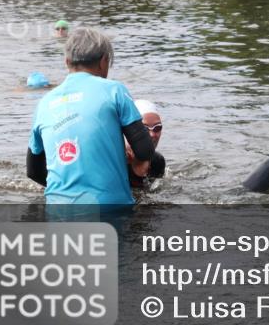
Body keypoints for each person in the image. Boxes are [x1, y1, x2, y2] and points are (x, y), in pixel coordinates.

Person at [27, 27, 155, 204]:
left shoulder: (44, 102)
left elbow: (33, 172)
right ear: (103, 61)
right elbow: (145, 150)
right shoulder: (115, 90)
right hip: (109, 208)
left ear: (67, 61)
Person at [126, 99, 166, 188]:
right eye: (144, 128)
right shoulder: (118, 161)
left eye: (157, 128)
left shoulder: (158, 161)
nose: (152, 134)